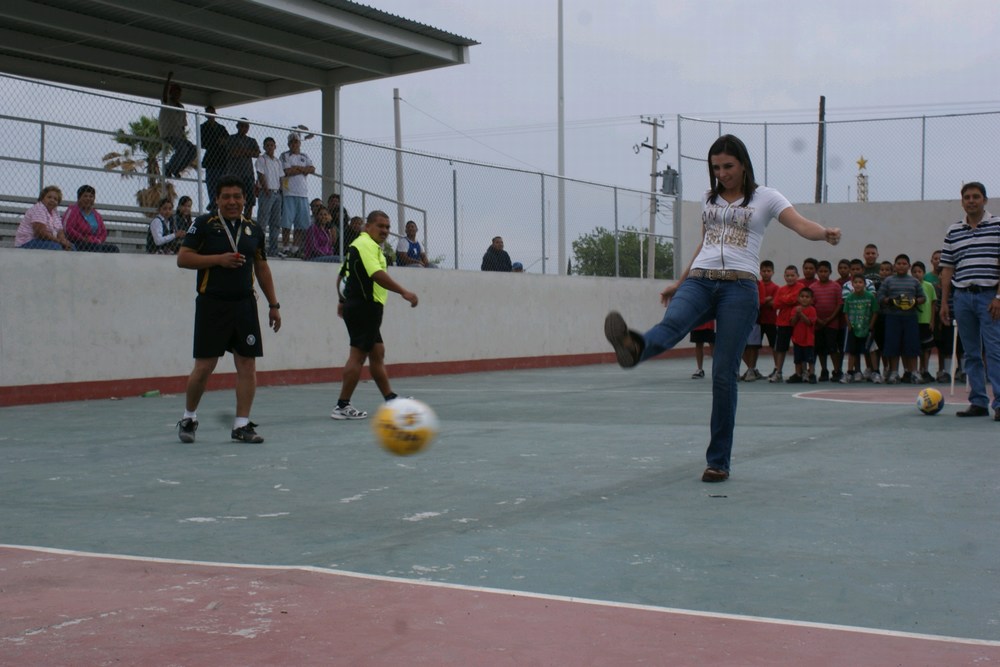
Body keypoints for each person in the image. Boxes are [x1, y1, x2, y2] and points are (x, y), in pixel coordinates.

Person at [603, 134, 840, 483]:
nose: (722, 174)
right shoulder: (708, 199)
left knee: (724, 375)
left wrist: (824, 233)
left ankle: (718, 461)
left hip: (740, 288)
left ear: (743, 164)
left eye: (728, 167)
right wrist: (681, 282)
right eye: (715, 168)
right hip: (700, 280)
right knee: (672, 325)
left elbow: (800, 223)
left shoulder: (766, 197)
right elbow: (705, 244)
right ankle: (634, 348)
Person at [176, 175, 281, 444]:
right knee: (204, 366)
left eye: (237, 196)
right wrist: (218, 260)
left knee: (247, 364)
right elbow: (183, 258)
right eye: (227, 197)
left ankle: (241, 425)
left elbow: (262, 267)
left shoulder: (254, 229)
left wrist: (273, 305)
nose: (232, 201)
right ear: (218, 199)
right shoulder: (204, 224)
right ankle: (189, 417)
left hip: (245, 305)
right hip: (212, 304)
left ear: (245, 199)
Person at [332, 211, 418, 420]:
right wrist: (404, 292)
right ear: (367, 226)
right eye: (380, 226)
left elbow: (342, 275)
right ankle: (342, 405)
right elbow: (376, 275)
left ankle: (390, 398)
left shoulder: (361, 246)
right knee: (358, 355)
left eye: (388, 227)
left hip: (363, 306)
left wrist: (342, 300)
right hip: (364, 306)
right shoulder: (366, 245)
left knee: (377, 351)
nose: (385, 231)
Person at [938, 182, 1000, 420]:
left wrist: (998, 297)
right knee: (970, 353)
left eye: (976, 197)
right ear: (962, 201)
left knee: (994, 351)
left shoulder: (997, 226)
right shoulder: (954, 231)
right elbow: (947, 268)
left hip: (989, 297)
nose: (971, 201)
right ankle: (978, 402)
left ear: (985, 200)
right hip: (962, 297)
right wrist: (945, 302)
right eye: (967, 197)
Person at [877, 254, 925, 384]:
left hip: (910, 317)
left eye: (904, 264)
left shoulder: (914, 281)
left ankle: (914, 372)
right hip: (893, 318)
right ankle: (894, 372)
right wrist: (891, 301)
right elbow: (880, 297)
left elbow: (923, 298)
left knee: (912, 345)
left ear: (909, 266)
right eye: (899, 263)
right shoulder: (888, 281)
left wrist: (914, 302)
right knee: (893, 345)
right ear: (894, 266)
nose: (901, 266)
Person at [279, 133, 315, 257]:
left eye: (296, 142)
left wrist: (297, 168)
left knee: (301, 223)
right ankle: (285, 246)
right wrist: (302, 169)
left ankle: (295, 248)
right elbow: (287, 171)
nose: (294, 144)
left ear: (299, 143)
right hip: (289, 193)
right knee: (287, 222)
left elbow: (312, 169)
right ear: (289, 144)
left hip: (303, 194)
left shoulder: (304, 156)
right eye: (292, 142)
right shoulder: (284, 155)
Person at [770, 265, 804, 383]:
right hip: (783, 323)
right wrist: (787, 300)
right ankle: (778, 372)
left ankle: (800, 372)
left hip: (797, 323)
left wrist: (785, 299)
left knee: (799, 348)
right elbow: (776, 304)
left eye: (792, 275)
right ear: (784, 276)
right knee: (780, 348)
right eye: (787, 275)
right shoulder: (781, 289)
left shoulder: (801, 287)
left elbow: (795, 299)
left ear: (798, 276)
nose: (790, 278)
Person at [810, 260, 843, 381]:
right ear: (817, 272)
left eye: (826, 271)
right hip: (818, 324)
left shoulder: (836, 286)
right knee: (820, 349)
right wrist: (818, 320)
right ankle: (824, 370)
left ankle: (837, 370)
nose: (823, 274)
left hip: (832, 323)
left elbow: (839, 304)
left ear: (830, 272)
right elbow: (811, 305)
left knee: (833, 348)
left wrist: (830, 318)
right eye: (821, 271)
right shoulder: (813, 287)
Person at [842, 274, 878, 383]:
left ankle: (876, 372)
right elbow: (846, 312)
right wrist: (849, 326)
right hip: (854, 329)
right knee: (852, 352)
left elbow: (875, 311)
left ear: (864, 284)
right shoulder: (849, 297)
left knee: (871, 350)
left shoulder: (870, 296)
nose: (858, 284)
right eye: (855, 282)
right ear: (852, 284)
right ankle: (849, 373)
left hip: (867, 328)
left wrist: (871, 325)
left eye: (860, 282)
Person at [62, 185, 119, 253]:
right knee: (95, 248)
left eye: (91, 196)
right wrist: (83, 239)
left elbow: (104, 232)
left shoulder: (97, 215)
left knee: (114, 249)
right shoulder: (73, 210)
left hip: (95, 243)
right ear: (79, 198)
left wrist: (99, 240)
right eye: (85, 196)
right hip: (77, 242)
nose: (88, 198)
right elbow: (68, 228)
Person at [159, 72, 195, 178]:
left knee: (193, 150)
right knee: (182, 149)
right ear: (171, 93)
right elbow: (164, 94)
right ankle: (168, 168)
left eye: (178, 93)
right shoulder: (167, 102)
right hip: (168, 133)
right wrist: (168, 79)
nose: (177, 95)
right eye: (174, 92)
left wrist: (183, 135)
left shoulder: (181, 107)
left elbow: (183, 124)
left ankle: (176, 169)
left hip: (178, 135)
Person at [15, 185, 74, 250]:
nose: (52, 200)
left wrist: (63, 241)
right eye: (49, 197)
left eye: (55, 199)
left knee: (72, 247)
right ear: (42, 198)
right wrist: (60, 242)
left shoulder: (55, 213)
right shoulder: (39, 208)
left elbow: (60, 231)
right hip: (27, 242)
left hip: (47, 241)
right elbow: (41, 233)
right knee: (56, 247)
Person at [226, 118, 260, 218]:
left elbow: (257, 153)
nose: (244, 128)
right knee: (235, 199)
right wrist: (247, 151)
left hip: (248, 174)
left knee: (250, 200)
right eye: (242, 126)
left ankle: (246, 221)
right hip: (234, 174)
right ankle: (234, 219)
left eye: (246, 126)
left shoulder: (251, 140)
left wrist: (243, 151)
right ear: (237, 126)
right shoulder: (231, 138)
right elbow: (233, 152)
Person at [255, 137, 284, 257]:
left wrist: (281, 190)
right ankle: (259, 247)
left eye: (272, 145)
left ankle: (273, 249)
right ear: (264, 147)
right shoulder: (262, 159)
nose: (270, 147)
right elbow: (260, 173)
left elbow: (281, 176)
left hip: (277, 193)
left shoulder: (277, 161)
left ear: (275, 146)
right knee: (263, 221)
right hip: (267, 192)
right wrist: (265, 188)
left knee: (275, 222)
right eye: (267, 145)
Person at [911, 261, 938, 383]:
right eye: (914, 272)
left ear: (924, 273)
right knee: (915, 347)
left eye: (919, 272)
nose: (917, 274)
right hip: (913, 321)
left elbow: (933, 304)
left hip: (925, 321)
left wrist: (932, 320)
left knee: (926, 348)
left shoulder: (929, 286)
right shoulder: (910, 285)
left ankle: (925, 369)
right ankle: (915, 371)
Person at [200, 106, 229, 210]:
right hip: (211, 159)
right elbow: (203, 143)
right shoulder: (203, 127)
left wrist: (222, 142)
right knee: (211, 183)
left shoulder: (221, 127)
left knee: (221, 183)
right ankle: (213, 201)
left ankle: (219, 201)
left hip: (222, 159)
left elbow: (227, 140)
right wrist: (217, 141)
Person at [787, 287, 817, 384]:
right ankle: (798, 374)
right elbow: (792, 323)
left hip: (808, 340)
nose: (804, 298)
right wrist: (797, 314)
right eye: (802, 296)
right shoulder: (795, 309)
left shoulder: (812, 310)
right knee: (798, 359)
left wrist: (801, 314)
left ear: (811, 299)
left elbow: (809, 322)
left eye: (807, 297)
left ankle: (811, 374)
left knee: (810, 359)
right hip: (797, 339)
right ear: (798, 298)